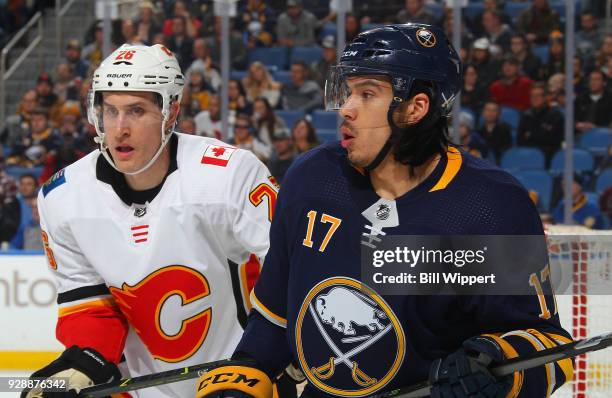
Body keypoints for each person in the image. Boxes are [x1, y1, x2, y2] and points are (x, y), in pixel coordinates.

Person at [195, 23, 572, 398]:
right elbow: (275, 312)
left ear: (415, 108)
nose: (346, 109)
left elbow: (552, 351)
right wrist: (249, 368)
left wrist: (499, 365)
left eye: (367, 94)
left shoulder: (488, 207)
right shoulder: (312, 179)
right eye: (347, 92)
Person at [21, 43, 280, 398]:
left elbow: (289, 269)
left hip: (238, 379)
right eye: (110, 111)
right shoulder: (63, 196)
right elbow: (91, 305)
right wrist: (85, 361)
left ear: (171, 111)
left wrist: (274, 352)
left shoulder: (229, 173)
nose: (119, 129)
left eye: (136, 111)